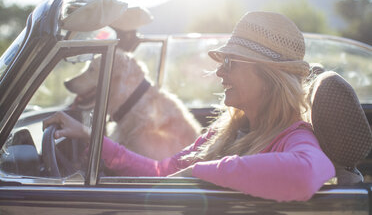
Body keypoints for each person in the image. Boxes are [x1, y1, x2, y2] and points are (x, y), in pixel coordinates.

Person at [43, 11, 335, 202]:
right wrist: (89, 137)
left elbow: (306, 174)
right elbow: (160, 171)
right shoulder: (227, 131)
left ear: (269, 77)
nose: (220, 72)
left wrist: (200, 172)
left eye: (230, 63)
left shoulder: (294, 136)